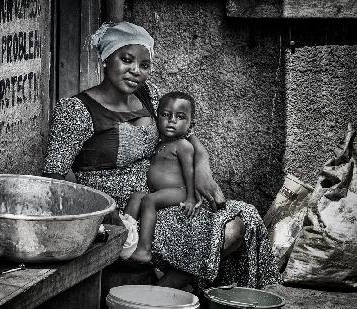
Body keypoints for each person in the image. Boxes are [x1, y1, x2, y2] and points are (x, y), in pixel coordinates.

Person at [42, 21, 280, 289]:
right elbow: (54, 179)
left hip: (161, 199)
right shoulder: (75, 110)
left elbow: (185, 134)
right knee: (228, 231)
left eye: (144, 65)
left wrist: (202, 168)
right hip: (123, 214)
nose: (136, 71)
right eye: (127, 60)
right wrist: (101, 217)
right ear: (106, 59)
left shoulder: (149, 96)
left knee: (244, 217)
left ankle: (159, 294)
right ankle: (154, 297)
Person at [124, 91, 198, 264]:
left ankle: (144, 249)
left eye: (180, 117)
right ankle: (122, 239)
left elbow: (190, 172)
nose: (171, 120)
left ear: (191, 124)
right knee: (136, 197)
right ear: (157, 117)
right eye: (165, 115)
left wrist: (190, 198)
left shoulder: (183, 146)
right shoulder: (160, 143)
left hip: (179, 191)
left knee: (149, 200)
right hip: (163, 191)